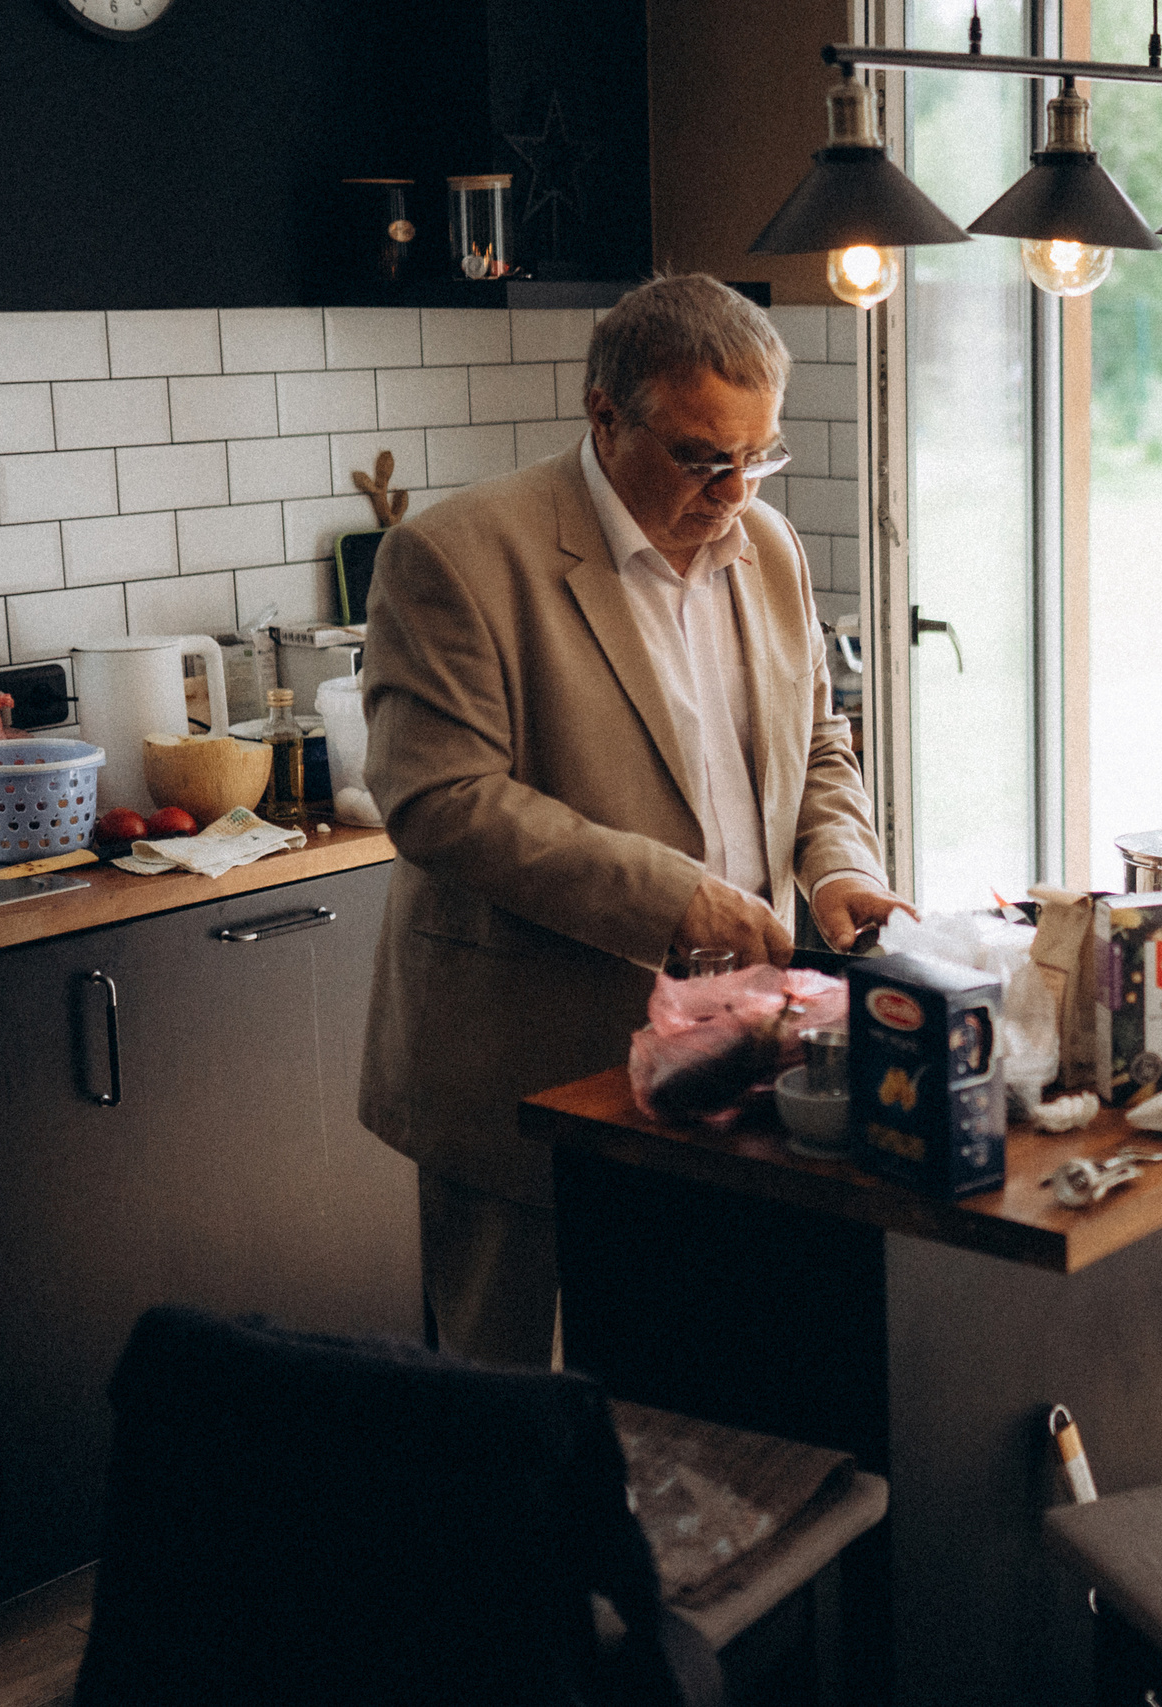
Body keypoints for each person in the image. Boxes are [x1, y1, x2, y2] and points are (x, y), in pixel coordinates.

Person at [360, 275, 911, 1368]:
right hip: (528, 1066)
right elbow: (440, 800)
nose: (735, 488)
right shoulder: (456, 557)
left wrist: (838, 863)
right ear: (605, 415)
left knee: (691, 1389)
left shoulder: (772, 548)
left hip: (730, 1058)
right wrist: (675, 897)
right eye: (705, 457)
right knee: (514, 1417)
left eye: (759, 455)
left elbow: (816, 746)